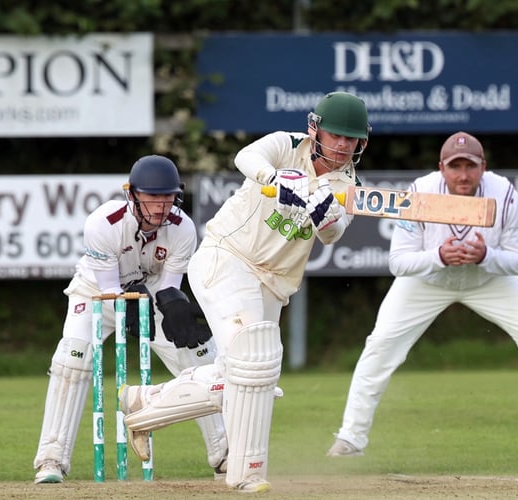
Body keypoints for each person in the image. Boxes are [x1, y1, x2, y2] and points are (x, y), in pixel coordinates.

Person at [117, 91, 371, 493]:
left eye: (350, 138)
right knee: (252, 363)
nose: (341, 145)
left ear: (361, 141)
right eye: (335, 134)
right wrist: (276, 178)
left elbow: (333, 234)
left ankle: (146, 403)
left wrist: (324, 215)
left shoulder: (348, 183)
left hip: (273, 284)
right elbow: (246, 157)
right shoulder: (286, 146)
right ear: (315, 130)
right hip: (228, 258)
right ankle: (245, 472)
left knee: (249, 375)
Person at [326, 131, 518, 458]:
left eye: (470, 166)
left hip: (488, 279)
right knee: (380, 345)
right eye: (455, 167)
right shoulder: (421, 191)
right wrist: (438, 256)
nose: (463, 175)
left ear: (483, 167)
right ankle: (350, 439)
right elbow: (399, 262)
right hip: (428, 280)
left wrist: (486, 256)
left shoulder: (504, 193)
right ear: (441, 168)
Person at [33, 155, 226, 484]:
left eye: (168, 196)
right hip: (96, 292)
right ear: (133, 194)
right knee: (72, 359)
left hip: (150, 293)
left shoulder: (183, 228)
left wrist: (175, 306)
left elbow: (169, 286)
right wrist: (132, 303)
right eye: (152, 196)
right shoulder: (103, 223)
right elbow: (110, 287)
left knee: (198, 356)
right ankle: (51, 458)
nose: (161, 205)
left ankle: (224, 453)